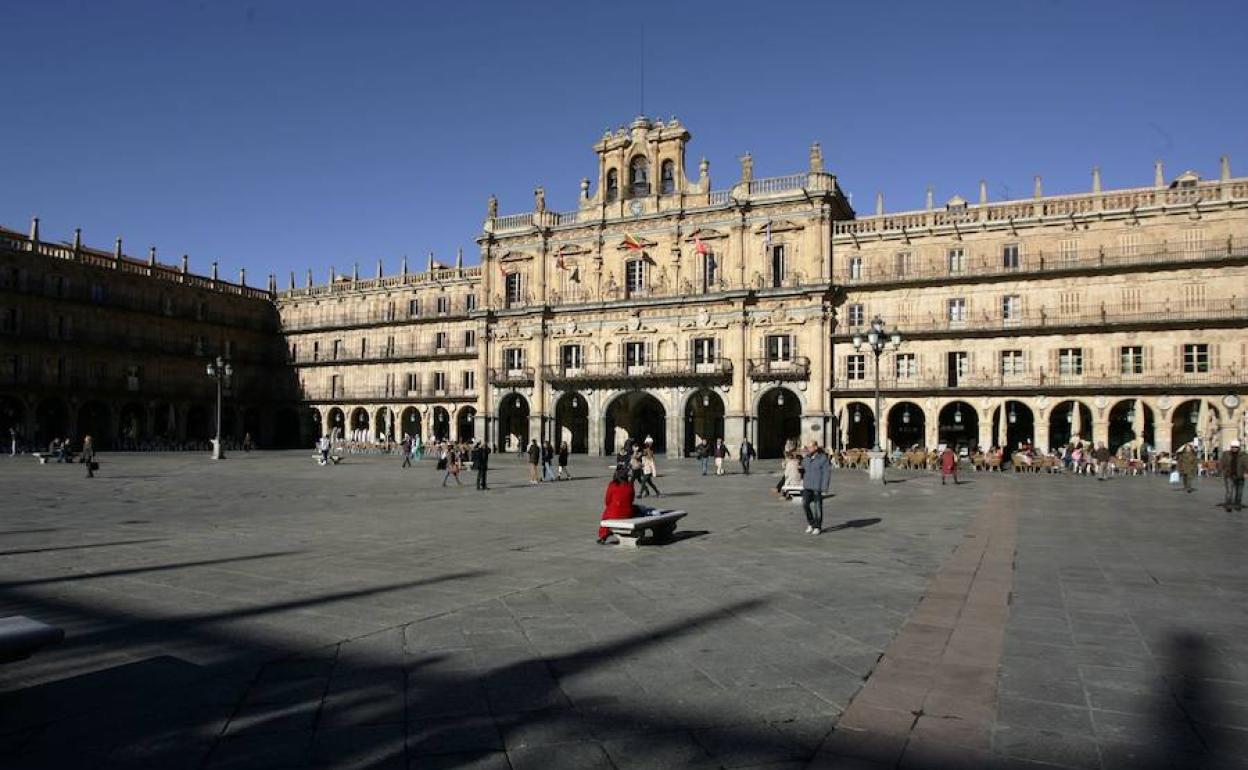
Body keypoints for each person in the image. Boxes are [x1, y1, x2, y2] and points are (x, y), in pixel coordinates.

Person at [598, 467, 637, 544]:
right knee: (636, 509)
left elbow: (607, 500)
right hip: (627, 514)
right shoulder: (630, 485)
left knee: (607, 514)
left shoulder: (612, 485)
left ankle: (603, 536)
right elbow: (631, 499)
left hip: (614, 513)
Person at [800, 440, 830, 535]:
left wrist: (824, 487)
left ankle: (817, 526)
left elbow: (826, 473)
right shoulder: (807, 458)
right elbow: (803, 467)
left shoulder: (823, 458)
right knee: (805, 504)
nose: (808, 449)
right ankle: (811, 523)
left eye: (810, 447)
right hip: (807, 485)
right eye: (807, 447)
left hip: (817, 485)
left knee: (817, 507)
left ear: (815, 447)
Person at [1220, 439, 1247, 511]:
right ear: (1231, 447)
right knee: (1229, 492)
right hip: (1229, 475)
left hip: (1240, 475)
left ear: (1238, 448)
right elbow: (1222, 463)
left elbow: (1247, 464)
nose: (1234, 448)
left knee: (1239, 492)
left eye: (1236, 447)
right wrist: (1223, 470)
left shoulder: (1243, 455)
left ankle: (1237, 504)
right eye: (1233, 447)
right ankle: (1228, 505)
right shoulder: (1226, 454)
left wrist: (1246, 472)